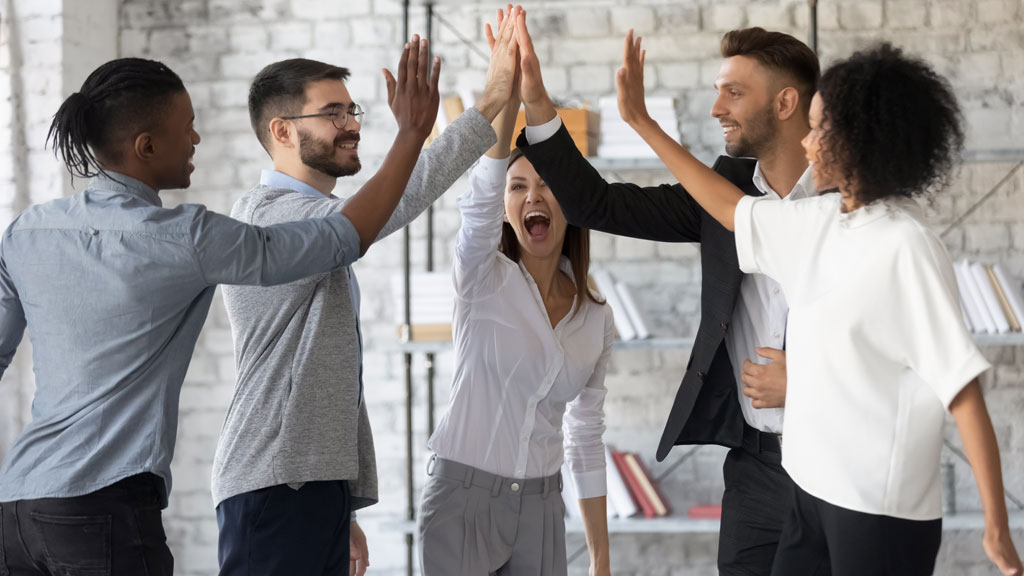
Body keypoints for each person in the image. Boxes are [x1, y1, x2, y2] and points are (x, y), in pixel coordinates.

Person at [0, 52, 437, 575]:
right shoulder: (186, 236)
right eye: (188, 128)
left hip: (18, 511)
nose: (197, 141)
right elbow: (341, 237)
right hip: (104, 509)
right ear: (147, 146)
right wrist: (411, 135)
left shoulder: (27, 231)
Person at [615, 32, 1024, 576]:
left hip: (877, 510)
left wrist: (996, 524)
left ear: (858, 140)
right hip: (809, 491)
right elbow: (730, 207)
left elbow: (963, 391)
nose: (807, 142)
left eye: (821, 127)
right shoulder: (818, 224)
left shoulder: (906, 245)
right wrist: (642, 123)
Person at [513, 16, 820, 574]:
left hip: (832, 456)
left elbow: (884, 336)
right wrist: (536, 101)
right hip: (755, 465)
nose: (716, 108)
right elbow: (595, 204)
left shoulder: (848, 202)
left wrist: (808, 379)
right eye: (716, 91)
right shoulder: (721, 192)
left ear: (785, 103)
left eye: (734, 91)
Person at [212, 28, 521, 576]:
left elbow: (320, 374)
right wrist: (482, 105)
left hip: (308, 483)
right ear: (282, 130)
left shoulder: (309, 220)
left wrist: (343, 501)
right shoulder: (269, 217)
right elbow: (386, 209)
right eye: (332, 113)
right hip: (275, 482)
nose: (352, 124)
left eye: (352, 109)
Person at [418, 7, 613, 576]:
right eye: (519, 186)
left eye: (549, 185)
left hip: (543, 508)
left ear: (571, 204)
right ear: (507, 207)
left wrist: (600, 557)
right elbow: (479, 194)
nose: (533, 198)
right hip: (462, 502)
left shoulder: (594, 319)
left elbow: (586, 437)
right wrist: (503, 86)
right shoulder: (481, 276)